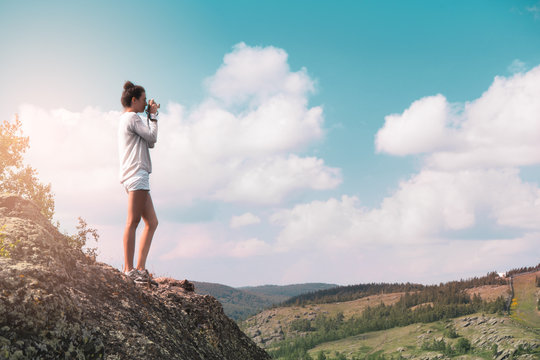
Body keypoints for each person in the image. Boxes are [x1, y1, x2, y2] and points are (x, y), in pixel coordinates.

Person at [118, 80, 160, 285]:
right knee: (133, 222)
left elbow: (147, 141)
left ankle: (140, 268)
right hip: (137, 174)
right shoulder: (133, 117)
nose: (145, 103)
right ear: (133, 100)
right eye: (143, 100)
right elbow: (152, 139)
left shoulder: (126, 119)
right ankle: (129, 269)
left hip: (134, 175)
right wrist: (152, 116)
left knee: (152, 222)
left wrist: (148, 115)